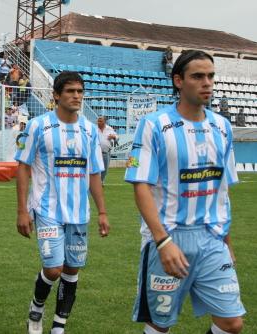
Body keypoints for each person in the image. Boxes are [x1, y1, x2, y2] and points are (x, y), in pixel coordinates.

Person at [124, 50, 245, 334]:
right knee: (159, 325)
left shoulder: (222, 127)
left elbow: (221, 189)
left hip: (212, 239)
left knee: (232, 323)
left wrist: (226, 240)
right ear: (179, 81)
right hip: (169, 237)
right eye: (198, 76)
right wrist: (162, 242)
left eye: (211, 76)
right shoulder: (154, 124)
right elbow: (140, 184)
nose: (207, 83)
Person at [15, 71, 110, 334]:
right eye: (70, 91)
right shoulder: (38, 126)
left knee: (72, 269)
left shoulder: (89, 130)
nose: (76, 96)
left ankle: (59, 326)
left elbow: (93, 173)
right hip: (47, 209)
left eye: (80, 91)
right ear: (56, 95)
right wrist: (22, 210)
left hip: (79, 212)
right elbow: (23, 167)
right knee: (54, 269)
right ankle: (37, 306)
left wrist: (102, 211)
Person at [97, 116, 118, 185]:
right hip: (96, 152)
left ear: (104, 122)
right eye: (98, 121)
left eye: (100, 121)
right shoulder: (94, 128)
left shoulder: (109, 129)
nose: (98, 122)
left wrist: (114, 137)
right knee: (95, 168)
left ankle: (101, 181)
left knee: (105, 169)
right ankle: (96, 182)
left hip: (106, 152)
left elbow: (117, 137)